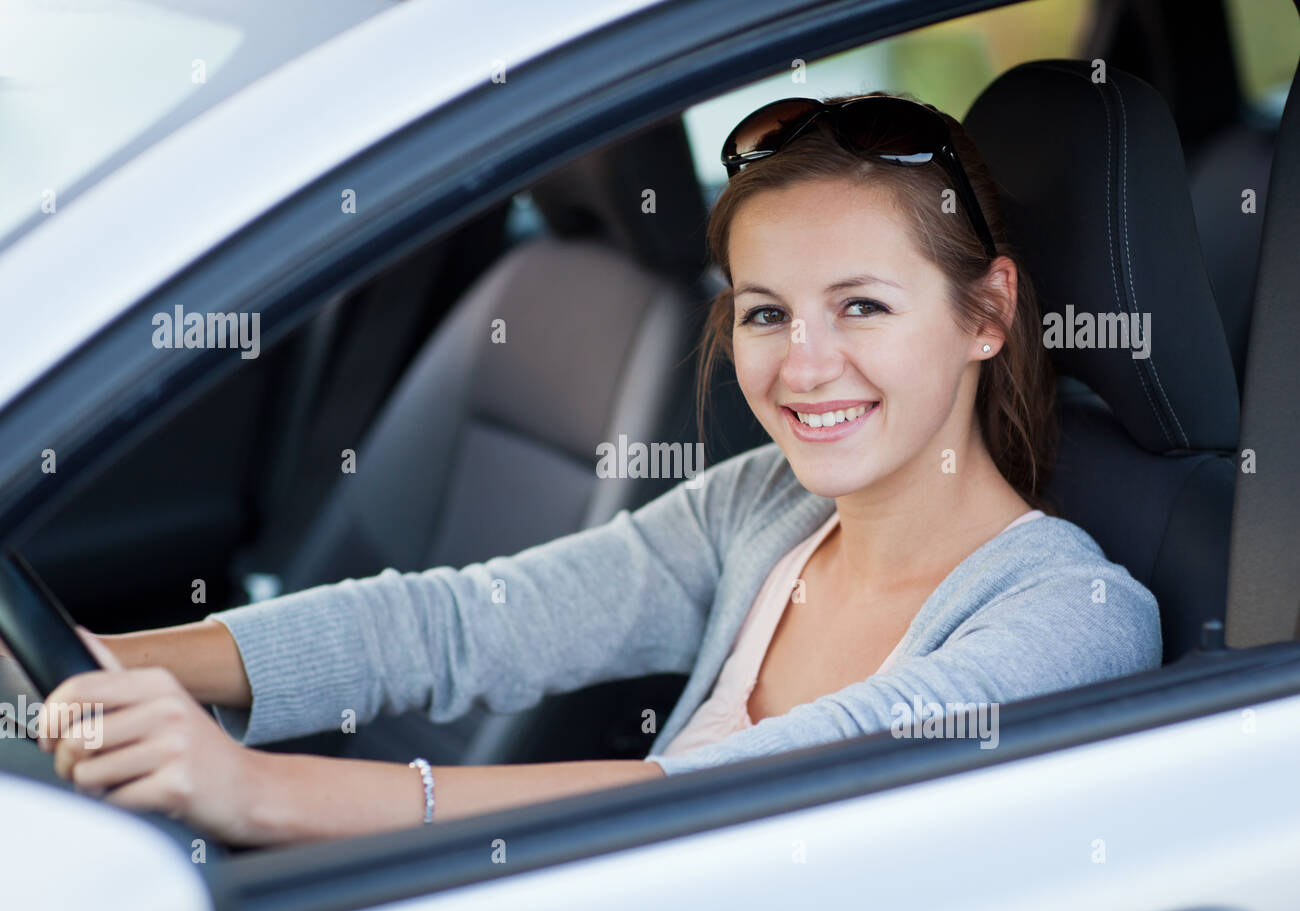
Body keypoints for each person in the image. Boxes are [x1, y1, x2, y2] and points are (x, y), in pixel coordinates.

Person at [34, 93, 1161, 845]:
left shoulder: (1071, 615)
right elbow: (461, 623)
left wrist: (258, 788)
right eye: (766, 312)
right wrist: (94, 661)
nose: (804, 366)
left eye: (861, 305)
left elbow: (722, 801)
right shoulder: (763, 508)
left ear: (986, 312)